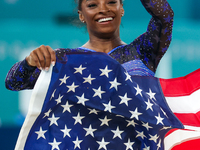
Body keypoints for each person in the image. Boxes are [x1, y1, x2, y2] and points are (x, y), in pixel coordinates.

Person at [5, 0, 174, 91]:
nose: (103, 9)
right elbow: (13, 83)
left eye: (111, 2)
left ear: (121, 8)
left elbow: (165, 16)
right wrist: (28, 62)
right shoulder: (65, 60)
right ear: (82, 15)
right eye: (92, 5)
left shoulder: (142, 51)